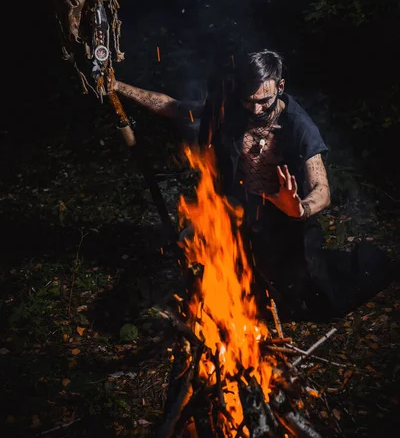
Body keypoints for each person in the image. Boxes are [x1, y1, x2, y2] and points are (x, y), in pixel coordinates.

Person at [111, 50, 392, 320]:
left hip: (286, 217)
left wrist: (299, 209)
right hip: (240, 208)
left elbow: (322, 190)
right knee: (190, 242)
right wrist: (117, 86)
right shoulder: (232, 108)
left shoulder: (299, 127)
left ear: (280, 86)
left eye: (264, 101)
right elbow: (175, 108)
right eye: (249, 101)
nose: (256, 109)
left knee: (312, 299)